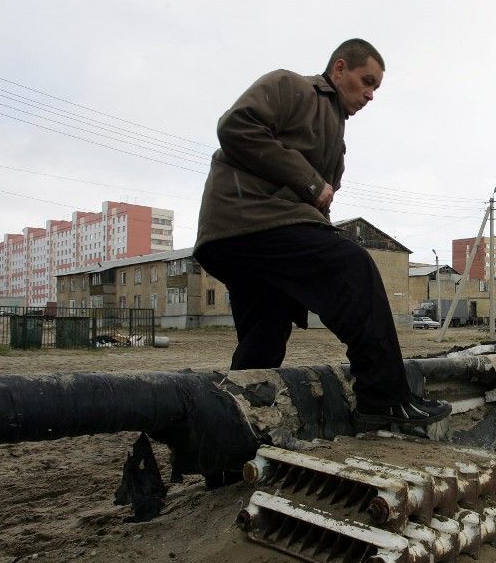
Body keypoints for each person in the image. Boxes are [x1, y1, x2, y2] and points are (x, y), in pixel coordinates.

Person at [193, 39, 451, 429]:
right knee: (354, 267)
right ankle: (383, 399)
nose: (370, 94)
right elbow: (235, 127)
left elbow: (316, 207)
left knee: (266, 331)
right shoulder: (291, 86)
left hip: (253, 234)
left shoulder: (336, 135)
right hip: (250, 219)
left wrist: (317, 200)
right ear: (339, 69)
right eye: (366, 81)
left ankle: (228, 436)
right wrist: (312, 183)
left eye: (376, 88)